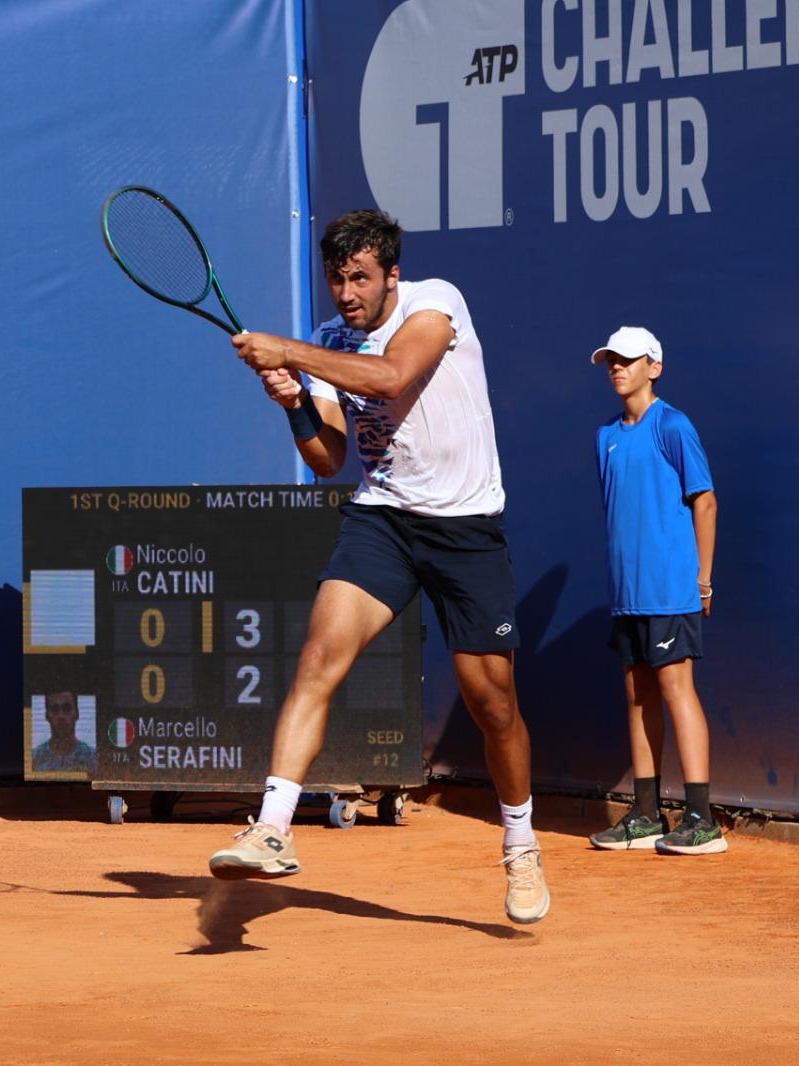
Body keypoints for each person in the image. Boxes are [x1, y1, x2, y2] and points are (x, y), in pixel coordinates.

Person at [207, 209, 548, 924]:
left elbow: (392, 378)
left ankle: (520, 844)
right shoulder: (330, 340)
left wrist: (289, 353)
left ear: (392, 274)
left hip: (464, 528)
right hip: (382, 520)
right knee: (317, 658)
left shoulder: (437, 303)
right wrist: (295, 405)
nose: (346, 293)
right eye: (336, 279)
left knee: (493, 705)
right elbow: (328, 458)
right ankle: (272, 826)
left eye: (359, 277)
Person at [587, 326, 726, 855]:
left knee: (675, 688)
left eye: (627, 359)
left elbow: (705, 501)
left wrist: (703, 580)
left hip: (670, 589)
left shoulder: (673, 425)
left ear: (654, 367)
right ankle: (646, 814)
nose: (617, 367)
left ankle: (701, 819)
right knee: (637, 694)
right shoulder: (606, 436)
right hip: (628, 594)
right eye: (611, 360)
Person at [31, 690, 95, 774]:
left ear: (77, 714)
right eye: (54, 709)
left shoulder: (93, 758)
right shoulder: (33, 759)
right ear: (47, 715)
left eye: (67, 708)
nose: (61, 716)